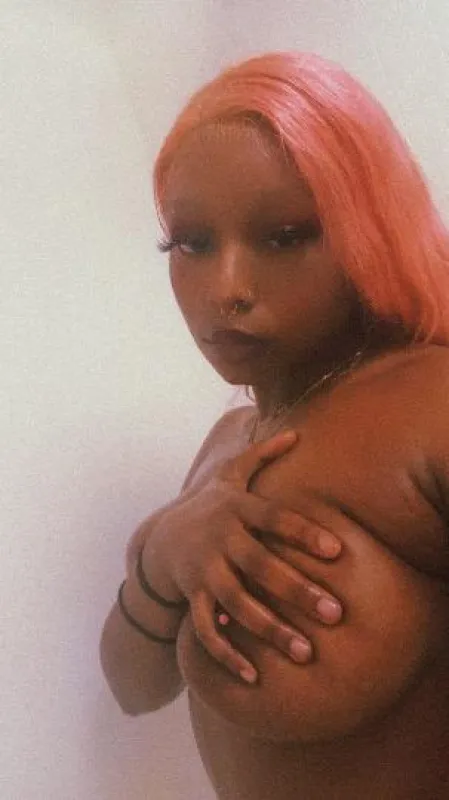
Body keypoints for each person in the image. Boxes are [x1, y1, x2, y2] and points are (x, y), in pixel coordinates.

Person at [100, 51, 449, 799]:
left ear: (371, 227)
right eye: (191, 242)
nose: (226, 288)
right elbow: (134, 689)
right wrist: (162, 559)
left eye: (285, 235)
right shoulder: (227, 445)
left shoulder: (431, 403)